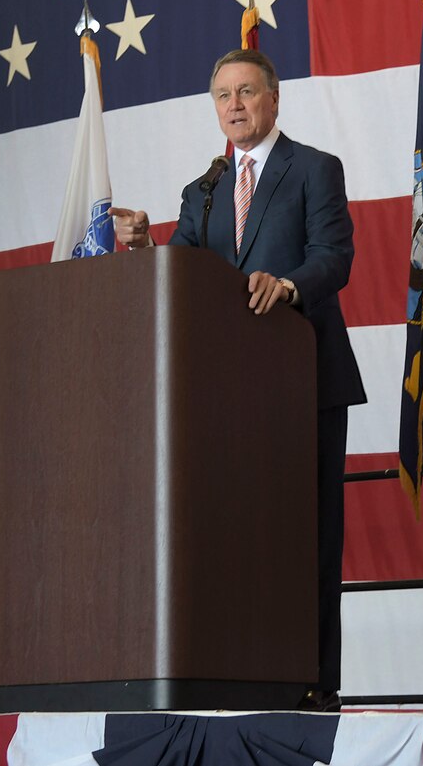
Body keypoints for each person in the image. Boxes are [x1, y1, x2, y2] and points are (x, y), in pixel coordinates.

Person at [110, 49, 366, 712]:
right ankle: (247, 676)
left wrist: (287, 285)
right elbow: (188, 273)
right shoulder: (206, 189)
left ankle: (316, 682)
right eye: (222, 94)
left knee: (308, 539)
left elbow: (334, 257)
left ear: (273, 98)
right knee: (235, 536)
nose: (234, 105)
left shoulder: (313, 169)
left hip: (304, 381)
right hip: (227, 395)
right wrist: (145, 248)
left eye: (246, 91)